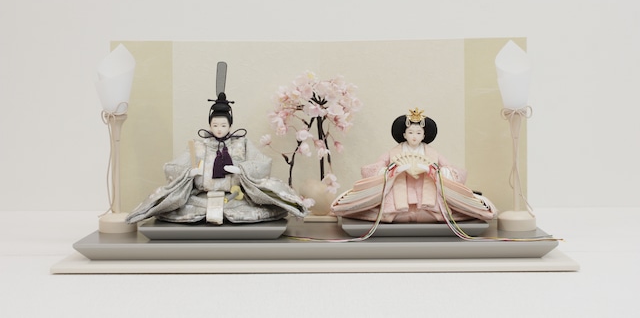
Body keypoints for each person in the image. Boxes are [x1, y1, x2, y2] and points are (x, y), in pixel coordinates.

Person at [126, 92, 308, 225]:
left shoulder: (242, 143)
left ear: (230, 125)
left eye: (223, 125)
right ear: (209, 125)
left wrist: (242, 169)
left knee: (255, 210)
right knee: (179, 209)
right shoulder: (198, 145)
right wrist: (189, 172)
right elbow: (174, 166)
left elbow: (262, 163)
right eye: (215, 125)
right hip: (201, 199)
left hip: (236, 198)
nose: (219, 129)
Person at [331, 107, 497, 223]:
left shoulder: (432, 153)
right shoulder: (393, 152)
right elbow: (374, 169)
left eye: (418, 133)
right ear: (404, 134)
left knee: (444, 210)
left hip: (428, 195)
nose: (414, 136)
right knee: (382, 210)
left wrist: (433, 171)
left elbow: (452, 170)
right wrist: (393, 171)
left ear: (424, 135)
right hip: (398, 193)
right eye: (410, 132)